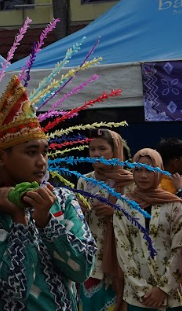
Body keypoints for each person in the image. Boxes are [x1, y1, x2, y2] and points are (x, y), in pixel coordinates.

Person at [0, 75, 96, 310]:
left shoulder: (62, 200)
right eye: (31, 152)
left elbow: (83, 269)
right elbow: (17, 286)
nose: (41, 162)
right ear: (0, 157)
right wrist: (19, 221)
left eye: (44, 152)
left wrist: (46, 222)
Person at [113, 149, 182, 311]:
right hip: (139, 298)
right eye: (138, 169)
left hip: (171, 296)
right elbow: (123, 249)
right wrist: (143, 290)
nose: (143, 175)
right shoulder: (124, 205)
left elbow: (180, 248)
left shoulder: (173, 205)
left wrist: (163, 289)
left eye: (150, 170)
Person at [77, 128, 134, 311]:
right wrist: (78, 209)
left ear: (115, 150)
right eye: (92, 150)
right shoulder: (84, 182)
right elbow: (77, 224)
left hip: (123, 259)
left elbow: (143, 221)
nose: (96, 154)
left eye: (102, 149)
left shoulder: (130, 182)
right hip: (92, 261)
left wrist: (115, 211)